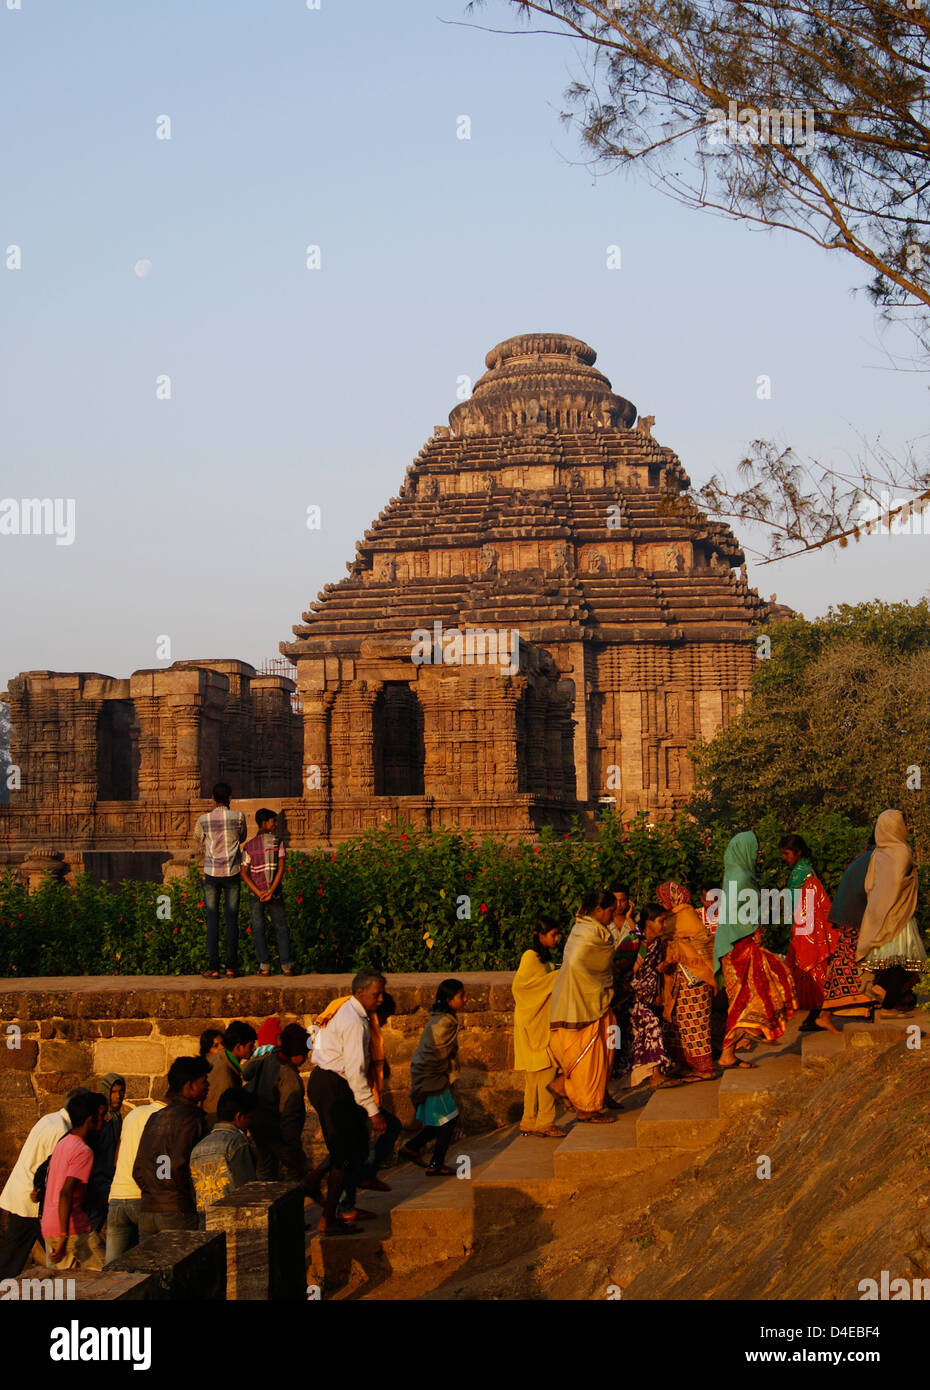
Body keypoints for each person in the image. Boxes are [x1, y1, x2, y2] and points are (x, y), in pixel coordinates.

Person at [308, 989, 402, 1206]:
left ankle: (328, 1191)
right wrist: (373, 1111)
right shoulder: (357, 1026)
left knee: (350, 1147)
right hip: (339, 1088)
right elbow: (356, 1072)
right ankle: (342, 1204)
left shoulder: (346, 1016)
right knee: (350, 1151)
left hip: (333, 1085)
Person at [713, 831, 797, 1069]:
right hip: (740, 944)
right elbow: (740, 913)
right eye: (755, 849)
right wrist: (755, 931)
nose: (758, 855)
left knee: (747, 996)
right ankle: (730, 1048)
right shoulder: (740, 877)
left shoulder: (734, 873)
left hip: (734, 944)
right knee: (753, 994)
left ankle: (738, 1042)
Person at [548, 889, 621, 1122]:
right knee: (588, 1056)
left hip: (592, 1002)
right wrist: (603, 983)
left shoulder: (587, 929)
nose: (613, 915)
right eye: (610, 911)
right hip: (582, 1003)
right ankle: (587, 1109)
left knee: (607, 1047)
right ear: (598, 910)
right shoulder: (588, 933)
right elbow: (580, 965)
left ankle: (596, 1093)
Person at [0, 1090, 87, 1277]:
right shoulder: (62, 1130)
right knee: (15, 1258)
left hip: (23, 1194)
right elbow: (52, 1171)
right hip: (31, 1201)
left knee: (18, 1256)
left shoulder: (50, 1119)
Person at [857, 809, 927, 1016]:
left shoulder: (878, 853)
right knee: (901, 961)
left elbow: (870, 884)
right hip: (899, 914)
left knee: (892, 963)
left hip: (879, 914)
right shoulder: (903, 851)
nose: (908, 828)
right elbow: (897, 882)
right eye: (904, 824)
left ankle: (883, 995)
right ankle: (888, 1006)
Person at [132, 1056, 209, 1238]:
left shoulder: (155, 1117)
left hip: (149, 1210)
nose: (208, 1086)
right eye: (204, 1082)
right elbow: (176, 1164)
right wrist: (179, 1198)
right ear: (190, 1087)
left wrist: (155, 1192)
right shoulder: (192, 1118)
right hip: (177, 1210)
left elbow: (139, 1169)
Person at [400, 979, 467, 1174]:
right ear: (448, 999)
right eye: (461, 996)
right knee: (449, 1118)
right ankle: (431, 1160)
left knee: (443, 1120)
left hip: (432, 1077)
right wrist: (425, 1086)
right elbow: (435, 1054)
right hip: (432, 1078)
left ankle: (415, 1149)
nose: (465, 999)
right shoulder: (444, 1022)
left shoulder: (445, 1018)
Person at [779, 835, 840, 1034]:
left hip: (807, 930)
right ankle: (816, 1014)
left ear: (798, 853)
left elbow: (802, 906)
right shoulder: (802, 872)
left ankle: (818, 1013)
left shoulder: (802, 875)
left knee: (811, 970)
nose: (784, 858)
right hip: (806, 928)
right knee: (812, 971)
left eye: (787, 854)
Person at [657, 882, 717, 1080]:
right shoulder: (675, 917)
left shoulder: (684, 916)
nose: (660, 902)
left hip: (694, 979)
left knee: (695, 1025)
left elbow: (702, 944)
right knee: (681, 1024)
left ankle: (704, 1069)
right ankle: (686, 1064)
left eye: (663, 898)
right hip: (682, 980)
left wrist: (676, 952)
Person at [614, 904, 677, 1091]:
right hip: (628, 999)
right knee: (652, 1025)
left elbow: (651, 971)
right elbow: (616, 971)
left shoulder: (656, 943)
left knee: (636, 1039)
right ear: (648, 922)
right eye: (661, 921)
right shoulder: (632, 941)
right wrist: (632, 991)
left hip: (646, 999)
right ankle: (656, 1076)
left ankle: (651, 1074)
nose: (664, 925)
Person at [512, 919, 567, 1138]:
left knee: (534, 1076)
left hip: (536, 1021)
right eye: (553, 935)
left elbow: (543, 977)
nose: (556, 939)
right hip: (531, 1024)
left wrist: (555, 972)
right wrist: (557, 977)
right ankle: (545, 1121)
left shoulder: (542, 959)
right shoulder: (529, 957)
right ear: (540, 935)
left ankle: (528, 1120)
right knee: (544, 1073)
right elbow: (522, 988)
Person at [42, 1091, 107, 1270]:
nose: (105, 1119)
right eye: (100, 1116)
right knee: (107, 1275)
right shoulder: (83, 1151)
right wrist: (64, 1237)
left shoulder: (62, 1144)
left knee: (67, 1286)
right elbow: (66, 1192)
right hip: (71, 1229)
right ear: (89, 1120)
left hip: (49, 1224)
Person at [245, 1022, 312, 1187]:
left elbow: (247, 1075)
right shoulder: (289, 1078)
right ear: (295, 1052)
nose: (305, 1058)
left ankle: (263, 1208)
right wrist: (294, 1150)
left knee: (265, 1172)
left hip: (257, 1127)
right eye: (304, 1053)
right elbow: (289, 1118)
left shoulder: (267, 1058)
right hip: (275, 1132)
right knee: (296, 1172)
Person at [104, 1091, 166, 1264]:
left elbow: (116, 1160)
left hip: (117, 1195)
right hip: (142, 1196)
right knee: (146, 1265)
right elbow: (162, 1161)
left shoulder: (133, 1114)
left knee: (111, 1266)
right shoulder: (166, 1118)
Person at [194, 780, 247, 978]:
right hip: (232, 872)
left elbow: (198, 838)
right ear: (230, 799)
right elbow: (242, 838)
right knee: (232, 920)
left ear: (213, 799)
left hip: (211, 873)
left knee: (212, 920)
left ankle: (213, 967)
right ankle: (232, 966)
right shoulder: (239, 817)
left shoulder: (203, 819)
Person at [821, 834, 877, 1018]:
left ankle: (826, 1013)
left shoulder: (862, 857)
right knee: (852, 960)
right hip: (856, 916)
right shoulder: (877, 858)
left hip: (845, 914)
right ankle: (849, 1004)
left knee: (844, 959)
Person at [241, 809, 294, 976]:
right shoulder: (278, 842)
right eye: (273, 821)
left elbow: (244, 872)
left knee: (258, 928)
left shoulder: (249, 846)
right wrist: (270, 890)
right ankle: (286, 966)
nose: (275, 824)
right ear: (264, 823)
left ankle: (264, 966)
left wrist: (258, 892)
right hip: (274, 891)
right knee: (281, 928)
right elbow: (281, 869)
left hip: (257, 893)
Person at [190, 1088, 257, 1214]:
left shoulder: (198, 1147)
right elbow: (248, 1190)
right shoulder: (238, 1142)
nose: (251, 1122)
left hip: (206, 1221)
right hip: (233, 1219)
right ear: (239, 1117)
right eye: (250, 1118)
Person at [85, 1072, 125, 1232]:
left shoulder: (116, 1119)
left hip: (109, 1181)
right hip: (97, 1182)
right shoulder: (101, 1121)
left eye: (121, 1092)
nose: (118, 1096)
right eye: (113, 1092)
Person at [204, 1021, 257, 1129]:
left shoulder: (222, 1061)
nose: (253, 1049)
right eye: (250, 1046)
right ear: (238, 1047)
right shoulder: (224, 1074)